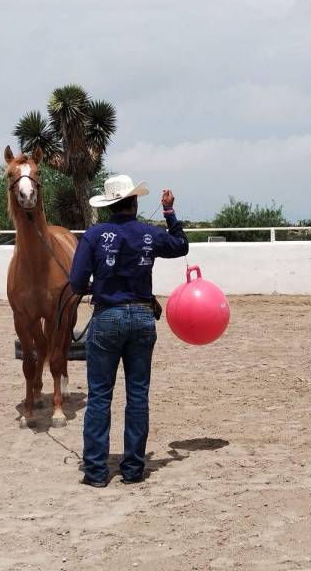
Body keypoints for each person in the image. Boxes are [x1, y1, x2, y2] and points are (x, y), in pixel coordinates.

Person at [69, 175, 189, 487]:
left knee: (99, 395)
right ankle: (133, 469)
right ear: (134, 202)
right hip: (142, 317)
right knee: (137, 394)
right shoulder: (149, 234)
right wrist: (169, 212)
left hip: (107, 316)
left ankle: (95, 472)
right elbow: (180, 245)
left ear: (110, 205)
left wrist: (98, 284)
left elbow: (77, 283)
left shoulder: (94, 235)